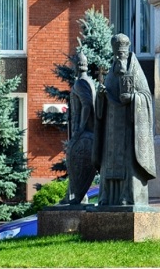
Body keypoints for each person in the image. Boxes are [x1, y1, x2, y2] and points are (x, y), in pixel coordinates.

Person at [92, 33, 157, 206]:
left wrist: (133, 98)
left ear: (127, 52)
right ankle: (107, 197)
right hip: (111, 127)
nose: (118, 57)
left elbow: (146, 96)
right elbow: (106, 99)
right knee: (108, 162)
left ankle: (127, 196)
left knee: (127, 162)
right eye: (116, 54)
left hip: (129, 126)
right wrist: (101, 96)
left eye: (121, 54)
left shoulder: (135, 70)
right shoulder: (111, 71)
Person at [63, 51, 97, 205]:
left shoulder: (80, 83)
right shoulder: (88, 81)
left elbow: (87, 105)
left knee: (77, 161)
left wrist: (81, 128)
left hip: (82, 132)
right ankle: (70, 195)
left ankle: (77, 196)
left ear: (76, 66)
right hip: (84, 131)